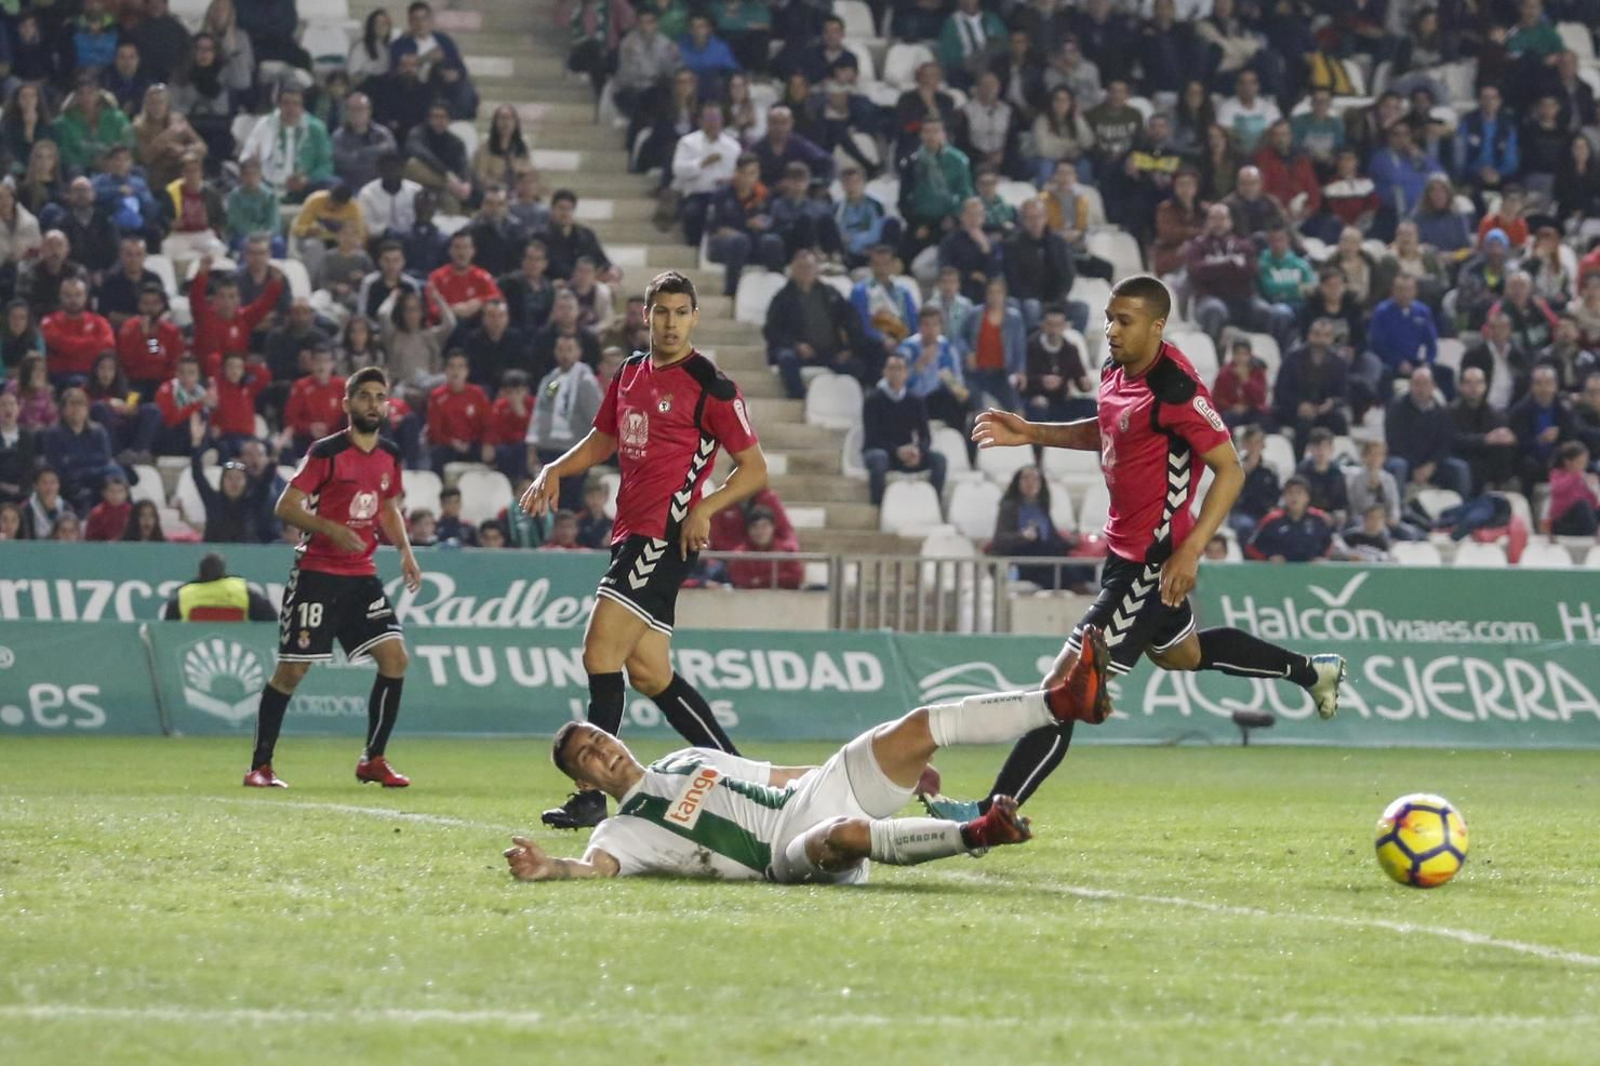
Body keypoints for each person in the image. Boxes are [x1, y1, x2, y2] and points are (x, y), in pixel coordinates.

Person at [924, 275, 1346, 823]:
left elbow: (1230, 470)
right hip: (1121, 553)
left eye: (1123, 321)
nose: (1110, 330)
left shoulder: (1178, 391)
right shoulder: (1113, 370)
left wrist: (1191, 551)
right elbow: (1106, 431)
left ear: (1156, 325)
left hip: (1151, 564)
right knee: (1183, 654)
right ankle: (1313, 672)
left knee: (1065, 690)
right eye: (1108, 318)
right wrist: (1030, 431)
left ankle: (991, 812)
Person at [519, 271, 768, 830]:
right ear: (646, 315)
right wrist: (557, 467)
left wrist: (704, 508)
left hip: (662, 536)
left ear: (694, 318)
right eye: (661, 312)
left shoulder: (711, 384)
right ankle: (742, 776)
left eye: (681, 312)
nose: (671, 322)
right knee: (651, 674)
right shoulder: (631, 371)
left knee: (598, 655)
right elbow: (606, 439)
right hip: (630, 532)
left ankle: (590, 796)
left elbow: (754, 470)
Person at [501, 666, 1111, 883]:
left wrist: (902, 777)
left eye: (599, 737)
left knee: (916, 728)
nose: (601, 750)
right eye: (586, 754)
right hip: (782, 853)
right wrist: (547, 868)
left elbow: (773, 771)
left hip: (810, 789)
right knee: (841, 837)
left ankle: (1061, 702)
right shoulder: (619, 831)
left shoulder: (685, 759)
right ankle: (980, 833)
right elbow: (593, 868)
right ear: (584, 781)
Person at [246, 366, 423, 790]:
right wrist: (330, 527)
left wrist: (405, 552)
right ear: (347, 404)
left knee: (396, 658)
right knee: (292, 671)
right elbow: (285, 507)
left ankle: (373, 758)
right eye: (364, 396)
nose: (373, 404)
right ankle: (261, 765)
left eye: (380, 397)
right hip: (317, 576)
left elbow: (386, 508)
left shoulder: (390, 455)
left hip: (361, 576)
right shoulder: (325, 452)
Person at [862, 352, 946, 506]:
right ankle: (877, 507)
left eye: (899, 368)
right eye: (891, 368)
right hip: (882, 451)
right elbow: (872, 437)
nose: (895, 373)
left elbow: (925, 435)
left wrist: (918, 451)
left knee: (939, 460)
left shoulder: (915, 401)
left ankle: (934, 504)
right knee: (879, 459)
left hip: (907, 453)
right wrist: (897, 451)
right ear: (885, 372)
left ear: (906, 373)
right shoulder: (872, 400)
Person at [163, 552, 277, 621]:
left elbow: (168, 628)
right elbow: (271, 618)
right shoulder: (242, 591)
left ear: (199, 573)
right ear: (224, 573)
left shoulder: (184, 595)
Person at [1547, 441, 1598, 535]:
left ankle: (1594, 533)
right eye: (1579, 462)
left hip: (1581, 521)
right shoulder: (1557, 474)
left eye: (1584, 463)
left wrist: (1593, 490)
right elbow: (1557, 489)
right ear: (1567, 462)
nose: (1582, 466)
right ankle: (1593, 534)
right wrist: (1575, 476)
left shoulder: (1582, 478)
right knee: (1582, 505)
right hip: (1563, 521)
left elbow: (1592, 504)